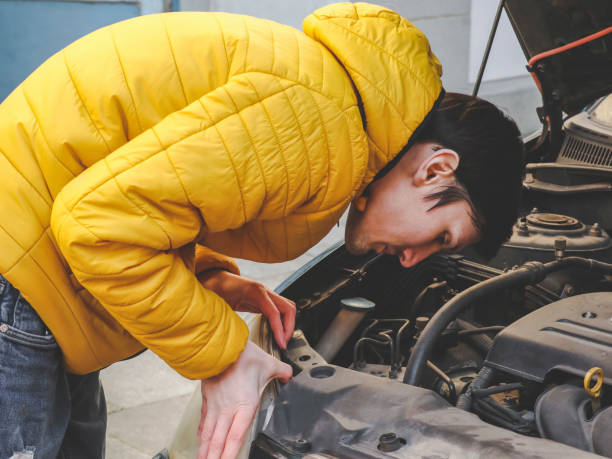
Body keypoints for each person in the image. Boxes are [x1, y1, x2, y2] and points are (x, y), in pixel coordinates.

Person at [0, 2, 523, 459]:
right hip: (20, 276)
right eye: (442, 237)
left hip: (37, 266)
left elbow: (155, 194)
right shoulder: (320, 126)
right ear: (435, 170)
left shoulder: (329, 105)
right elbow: (99, 227)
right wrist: (224, 354)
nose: (413, 260)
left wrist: (208, 278)